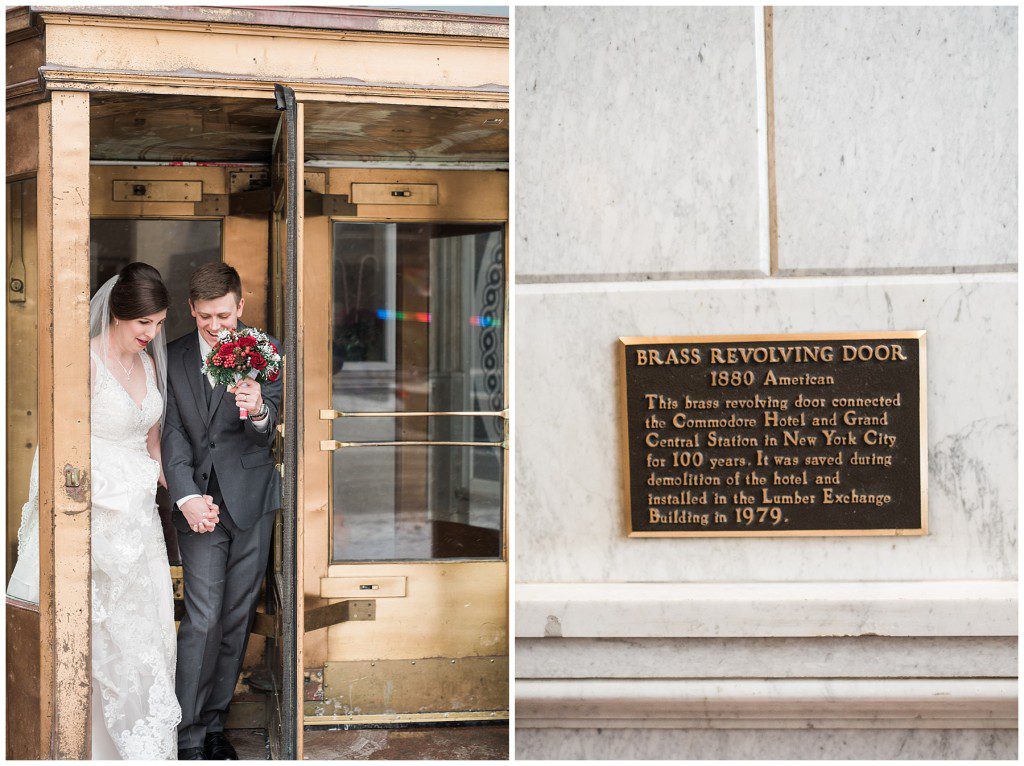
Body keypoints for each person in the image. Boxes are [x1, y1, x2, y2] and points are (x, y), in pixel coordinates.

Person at [8, 262, 183, 759]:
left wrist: (186, 491)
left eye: (159, 323)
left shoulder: (148, 364)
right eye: (142, 324)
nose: (152, 334)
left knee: (142, 637)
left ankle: (142, 747)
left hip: (139, 524)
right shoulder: (82, 362)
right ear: (116, 315)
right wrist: (132, 483)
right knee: (98, 635)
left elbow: (151, 443)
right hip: (93, 522)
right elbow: (61, 451)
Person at [162, 263, 282, 760]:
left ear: (241, 306)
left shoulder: (266, 351)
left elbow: (275, 416)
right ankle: (185, 733)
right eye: (207, 315)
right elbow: (170, 435)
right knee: (203, 618)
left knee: (235, 620)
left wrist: (258, 409)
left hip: (252, 504)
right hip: (201, 507)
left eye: (225, 315)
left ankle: (214, 725)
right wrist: (187, 496)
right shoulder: (170, 358)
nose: (216, 325)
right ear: (192, 309)